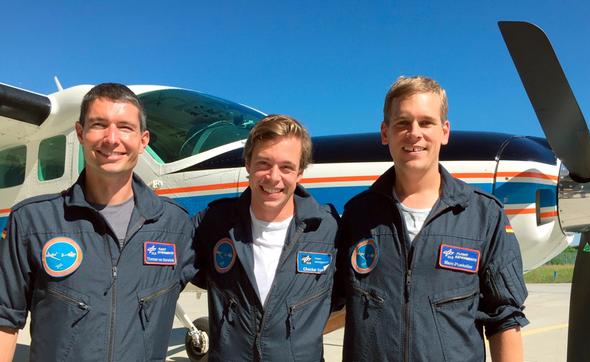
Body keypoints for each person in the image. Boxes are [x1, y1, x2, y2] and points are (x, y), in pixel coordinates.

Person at [336, 76, 528, 361]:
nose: (414, 133)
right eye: (402, 123)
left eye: (426, 123)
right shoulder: (357, 215)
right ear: (385, 133)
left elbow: (505, 319)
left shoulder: (484, 216)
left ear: (445, 131)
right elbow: (318, 305)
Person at [0, 83, 195, 361]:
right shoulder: (32, 220)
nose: (112, 138)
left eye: (125, 127)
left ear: (143, 140)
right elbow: (4, 319)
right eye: (99, 124)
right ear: (80, 133)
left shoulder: (177, 225)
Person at [192, 114, 338, 361]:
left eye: (286, 167)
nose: (273, 177)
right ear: (247, 163)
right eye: (263, 163)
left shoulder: (328, 230)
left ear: (300, 172)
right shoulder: (212, 223)